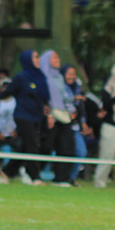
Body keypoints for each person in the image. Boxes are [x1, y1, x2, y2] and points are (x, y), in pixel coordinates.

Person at [0, 50, 50, 186]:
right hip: (23, 116)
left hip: (36, 116)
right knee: (32, 145)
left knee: (25, 146)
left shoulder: (40, 76)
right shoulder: (22, 77)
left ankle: (4, 172)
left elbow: (43, 96)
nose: (38, 59)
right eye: (36, 57)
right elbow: (7, 92)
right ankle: (35, 177)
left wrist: (45, 107)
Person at [39, 50, 76, 187]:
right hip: (49, 117)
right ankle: (31, 172)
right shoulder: (43, 76)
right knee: (46, 146)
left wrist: (72, 108)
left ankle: (61, 178)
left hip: (62, 116)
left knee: (67, 146)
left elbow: (63, 97)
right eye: (55, 57)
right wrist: (49, 114)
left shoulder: (59, 77)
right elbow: (43, 98)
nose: (58, 59)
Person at [61, 64, 90, 184]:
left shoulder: (77, 87)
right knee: (64, 152)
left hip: (75, 126)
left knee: (81, 152)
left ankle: (71, 177)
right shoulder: (60, 87)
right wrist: (74, 99)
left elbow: (81, 108)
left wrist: (83, 122)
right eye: (69, 74)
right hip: (63, 125)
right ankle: (61, 177)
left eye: (73, 74)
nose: (71, 76)